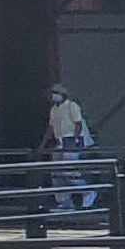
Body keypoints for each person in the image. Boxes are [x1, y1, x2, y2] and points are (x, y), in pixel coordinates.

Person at [40, 83, 97, 212]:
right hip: (61, 141)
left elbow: (78, 124)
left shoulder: (72, 106)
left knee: (69, 171)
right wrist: (42, 145)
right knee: (56, 172)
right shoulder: (54, 110)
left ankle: (88, 192)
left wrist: (75, 140)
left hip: (73, 140)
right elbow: (51, 128)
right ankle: (64, 201)